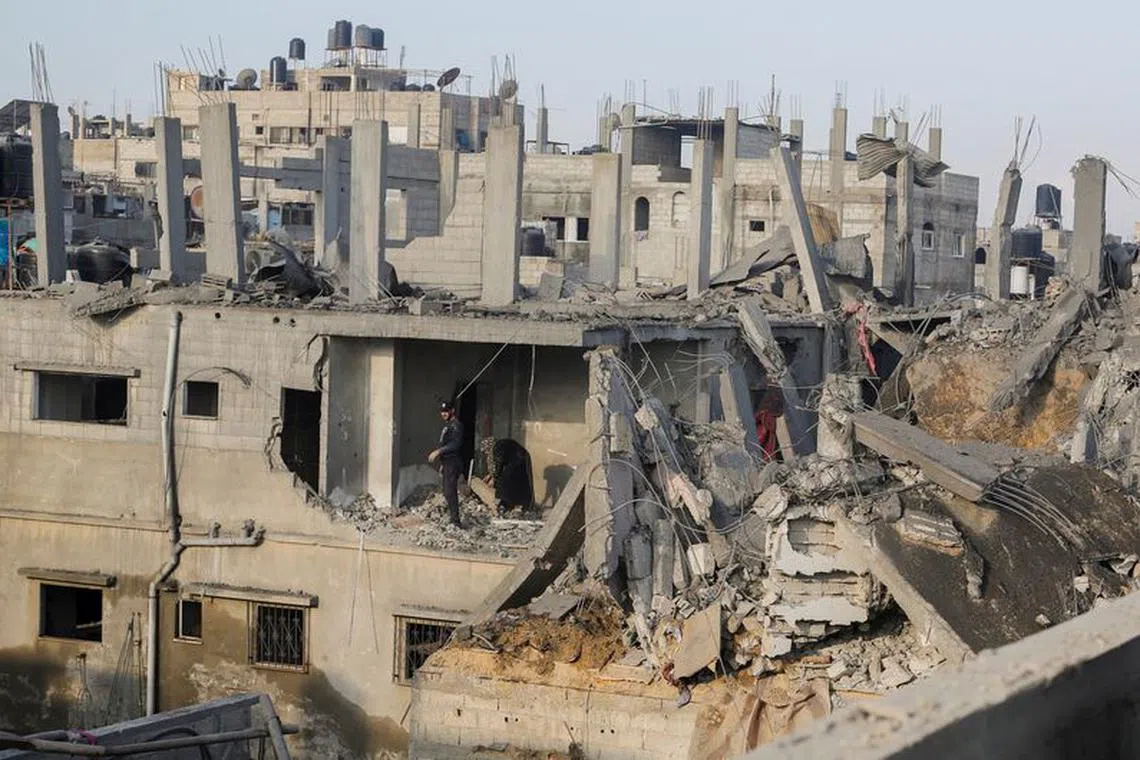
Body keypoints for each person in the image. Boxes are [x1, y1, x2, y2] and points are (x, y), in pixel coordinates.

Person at [428, 401, 464, 527]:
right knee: (447, 491)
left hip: (453, 462)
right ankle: (453, 518)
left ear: (452, 411)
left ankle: (456, 521)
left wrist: (439, 451)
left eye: (446, 411)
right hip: (447, 462)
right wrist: (442, 462)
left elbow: (455, 444)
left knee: (450, 491)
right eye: (442, 412)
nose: (443, 414)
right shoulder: (448, 425)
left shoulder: (456, 426)